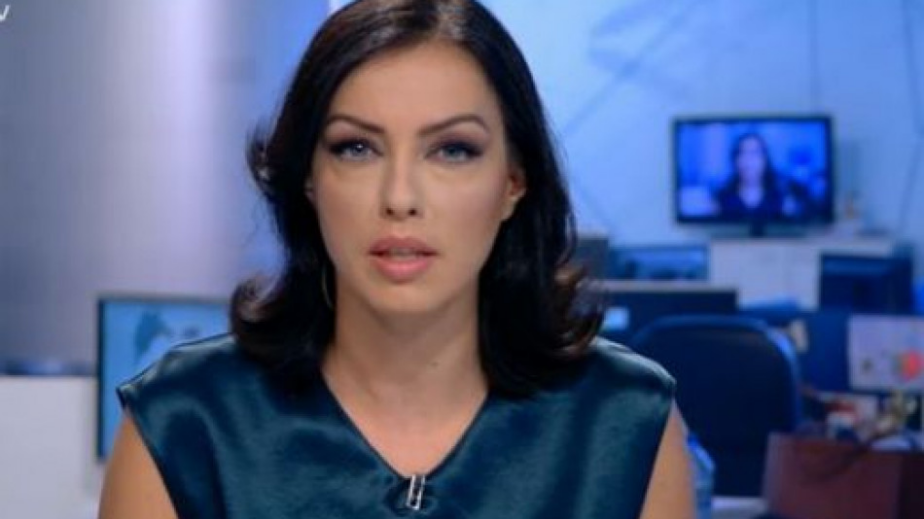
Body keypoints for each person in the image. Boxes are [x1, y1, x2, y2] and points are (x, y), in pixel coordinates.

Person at [99, 1, 693, 517]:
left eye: (452, 150)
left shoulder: (624, 423)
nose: (400, 197)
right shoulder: (185, 423)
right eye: (356, 148)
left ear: (513, 182)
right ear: (309, 179)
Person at [715, 132, 789, 218]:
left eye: (754, 153)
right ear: (735, 160)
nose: (748, 161)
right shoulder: (720, 199)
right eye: (742, 153)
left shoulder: (781, 198)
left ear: (765, 160)